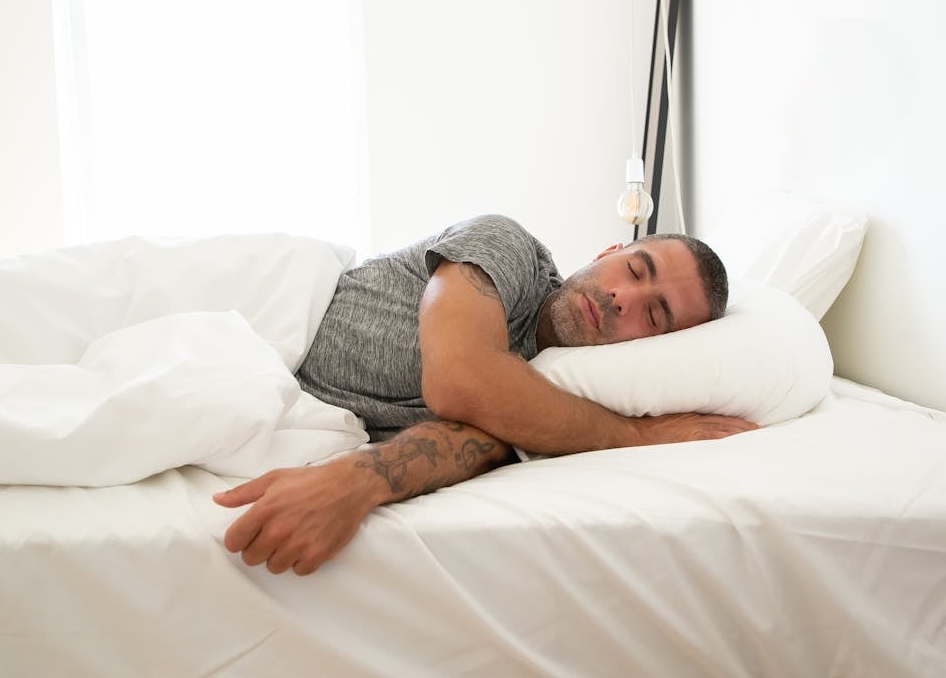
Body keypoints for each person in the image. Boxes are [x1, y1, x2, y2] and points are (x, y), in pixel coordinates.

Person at [212, 214, 757, 575]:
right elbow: (462, 381)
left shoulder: (559, 401)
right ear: (609, 249)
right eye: (635, 269)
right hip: (241, 327)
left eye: (654, 314)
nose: (621, 298)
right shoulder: (509, 249)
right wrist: (639, 436)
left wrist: (358, 482)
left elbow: (478, 439)